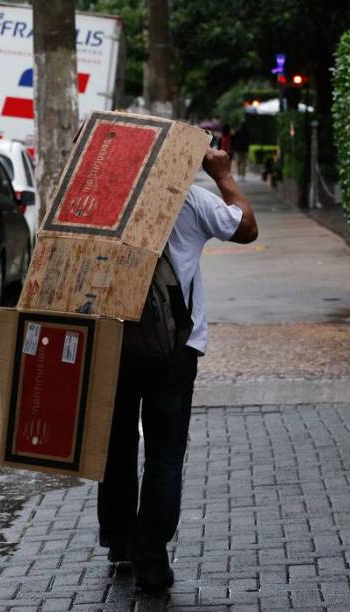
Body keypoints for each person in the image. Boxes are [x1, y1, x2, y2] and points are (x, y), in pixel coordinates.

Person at [97, 148, 258, 592]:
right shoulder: (188, 199)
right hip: (175, 346)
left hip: (114, 340)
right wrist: (223, 174)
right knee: (166, 455)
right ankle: (151, 560)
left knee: (117, 443)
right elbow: (246, 228)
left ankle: (118, 539)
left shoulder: (105, 197)